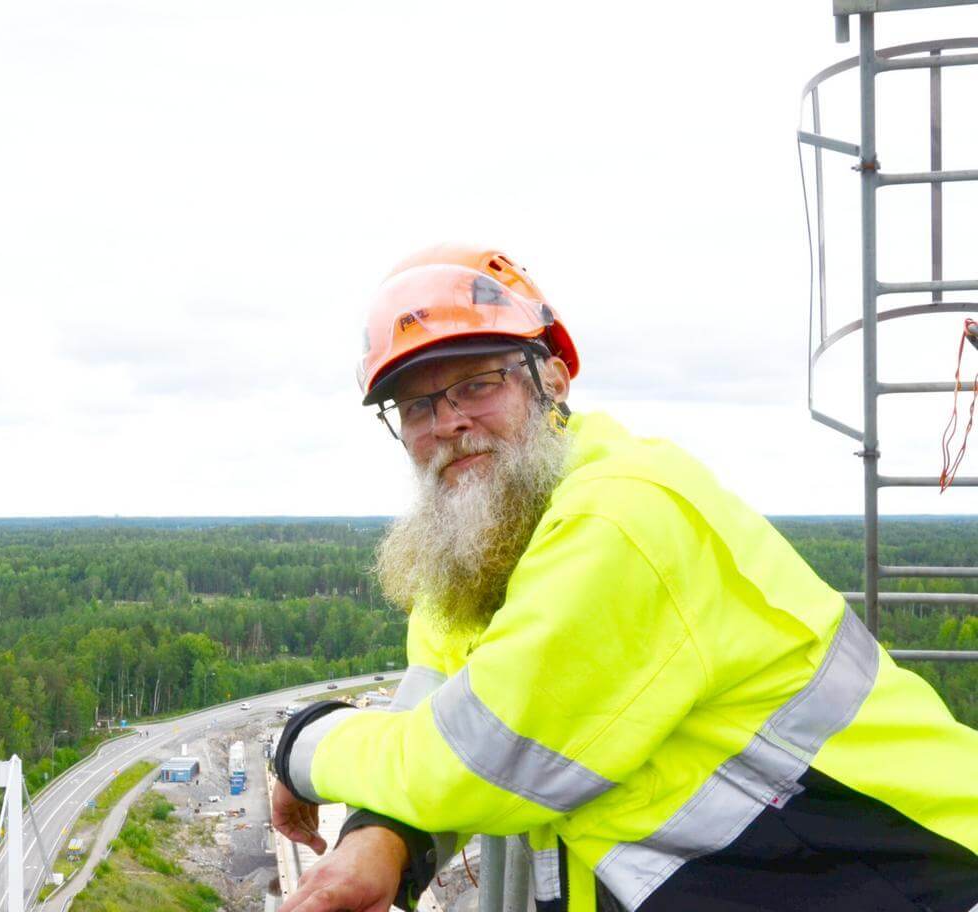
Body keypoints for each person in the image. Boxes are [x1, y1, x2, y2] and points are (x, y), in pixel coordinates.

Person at [269, 244, 978, 912]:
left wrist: (301, 745)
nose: (448, 422)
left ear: (551, 379)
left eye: (476, 384)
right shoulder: (472, 557)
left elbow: (471, 757)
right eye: (418, 406)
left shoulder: (623, 515)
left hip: (916, 877)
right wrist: (379, 838)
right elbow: (432, 711)